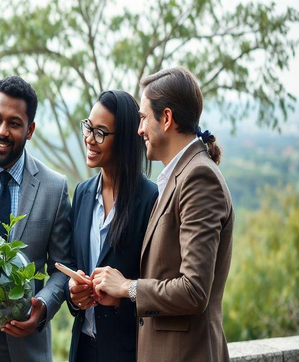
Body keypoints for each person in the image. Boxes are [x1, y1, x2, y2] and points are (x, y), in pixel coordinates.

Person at [92, 67, 233, 362]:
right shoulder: (177, 177)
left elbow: (194, 290)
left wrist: (127, 287)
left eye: (144, 118)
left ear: (166, 119)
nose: (139, 129)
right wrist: (119, 296)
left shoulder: (199, 179)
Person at [0, 76, 73, 362]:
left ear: (30, 130)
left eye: (14, 123)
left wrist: (43, 306)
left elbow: (62, 267)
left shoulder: (55, 187)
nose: (2, 131)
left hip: (29, 348)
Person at [63, 90, 158, 362]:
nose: (89, 139)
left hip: (127, 352)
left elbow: (159, 286)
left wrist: (120, 299)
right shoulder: (82, 193)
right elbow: (72, 261)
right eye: (88, 127)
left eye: (100, 133)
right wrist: (74, 294)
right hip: (82, 348)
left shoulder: (150, 199)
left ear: (125, 140)